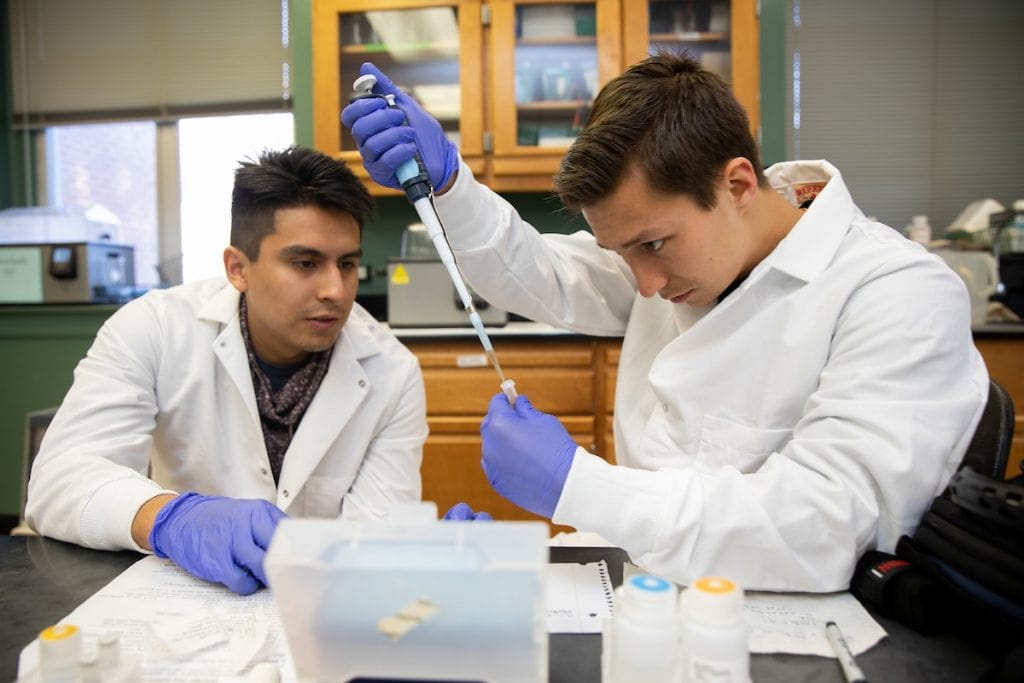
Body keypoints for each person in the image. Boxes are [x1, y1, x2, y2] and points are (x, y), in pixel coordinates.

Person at [341, 54, 989, 592]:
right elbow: (534, 267)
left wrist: (578, 484)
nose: (645, 285)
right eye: (621, 252)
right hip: (643, 592)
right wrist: (451, 185)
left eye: (652, 244)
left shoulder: (895, 291)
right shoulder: (679, 255)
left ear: (737, 185)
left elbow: (827, 524)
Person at [25, 146, 429, 595]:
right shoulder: (154, 328)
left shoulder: (393, 372)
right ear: (238, 268)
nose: (336, 289)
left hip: (321, 605)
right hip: (181, 599)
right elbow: (58, 481)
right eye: (305, 263)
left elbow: (374, 534)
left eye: (347, 264)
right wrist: (170, 519)